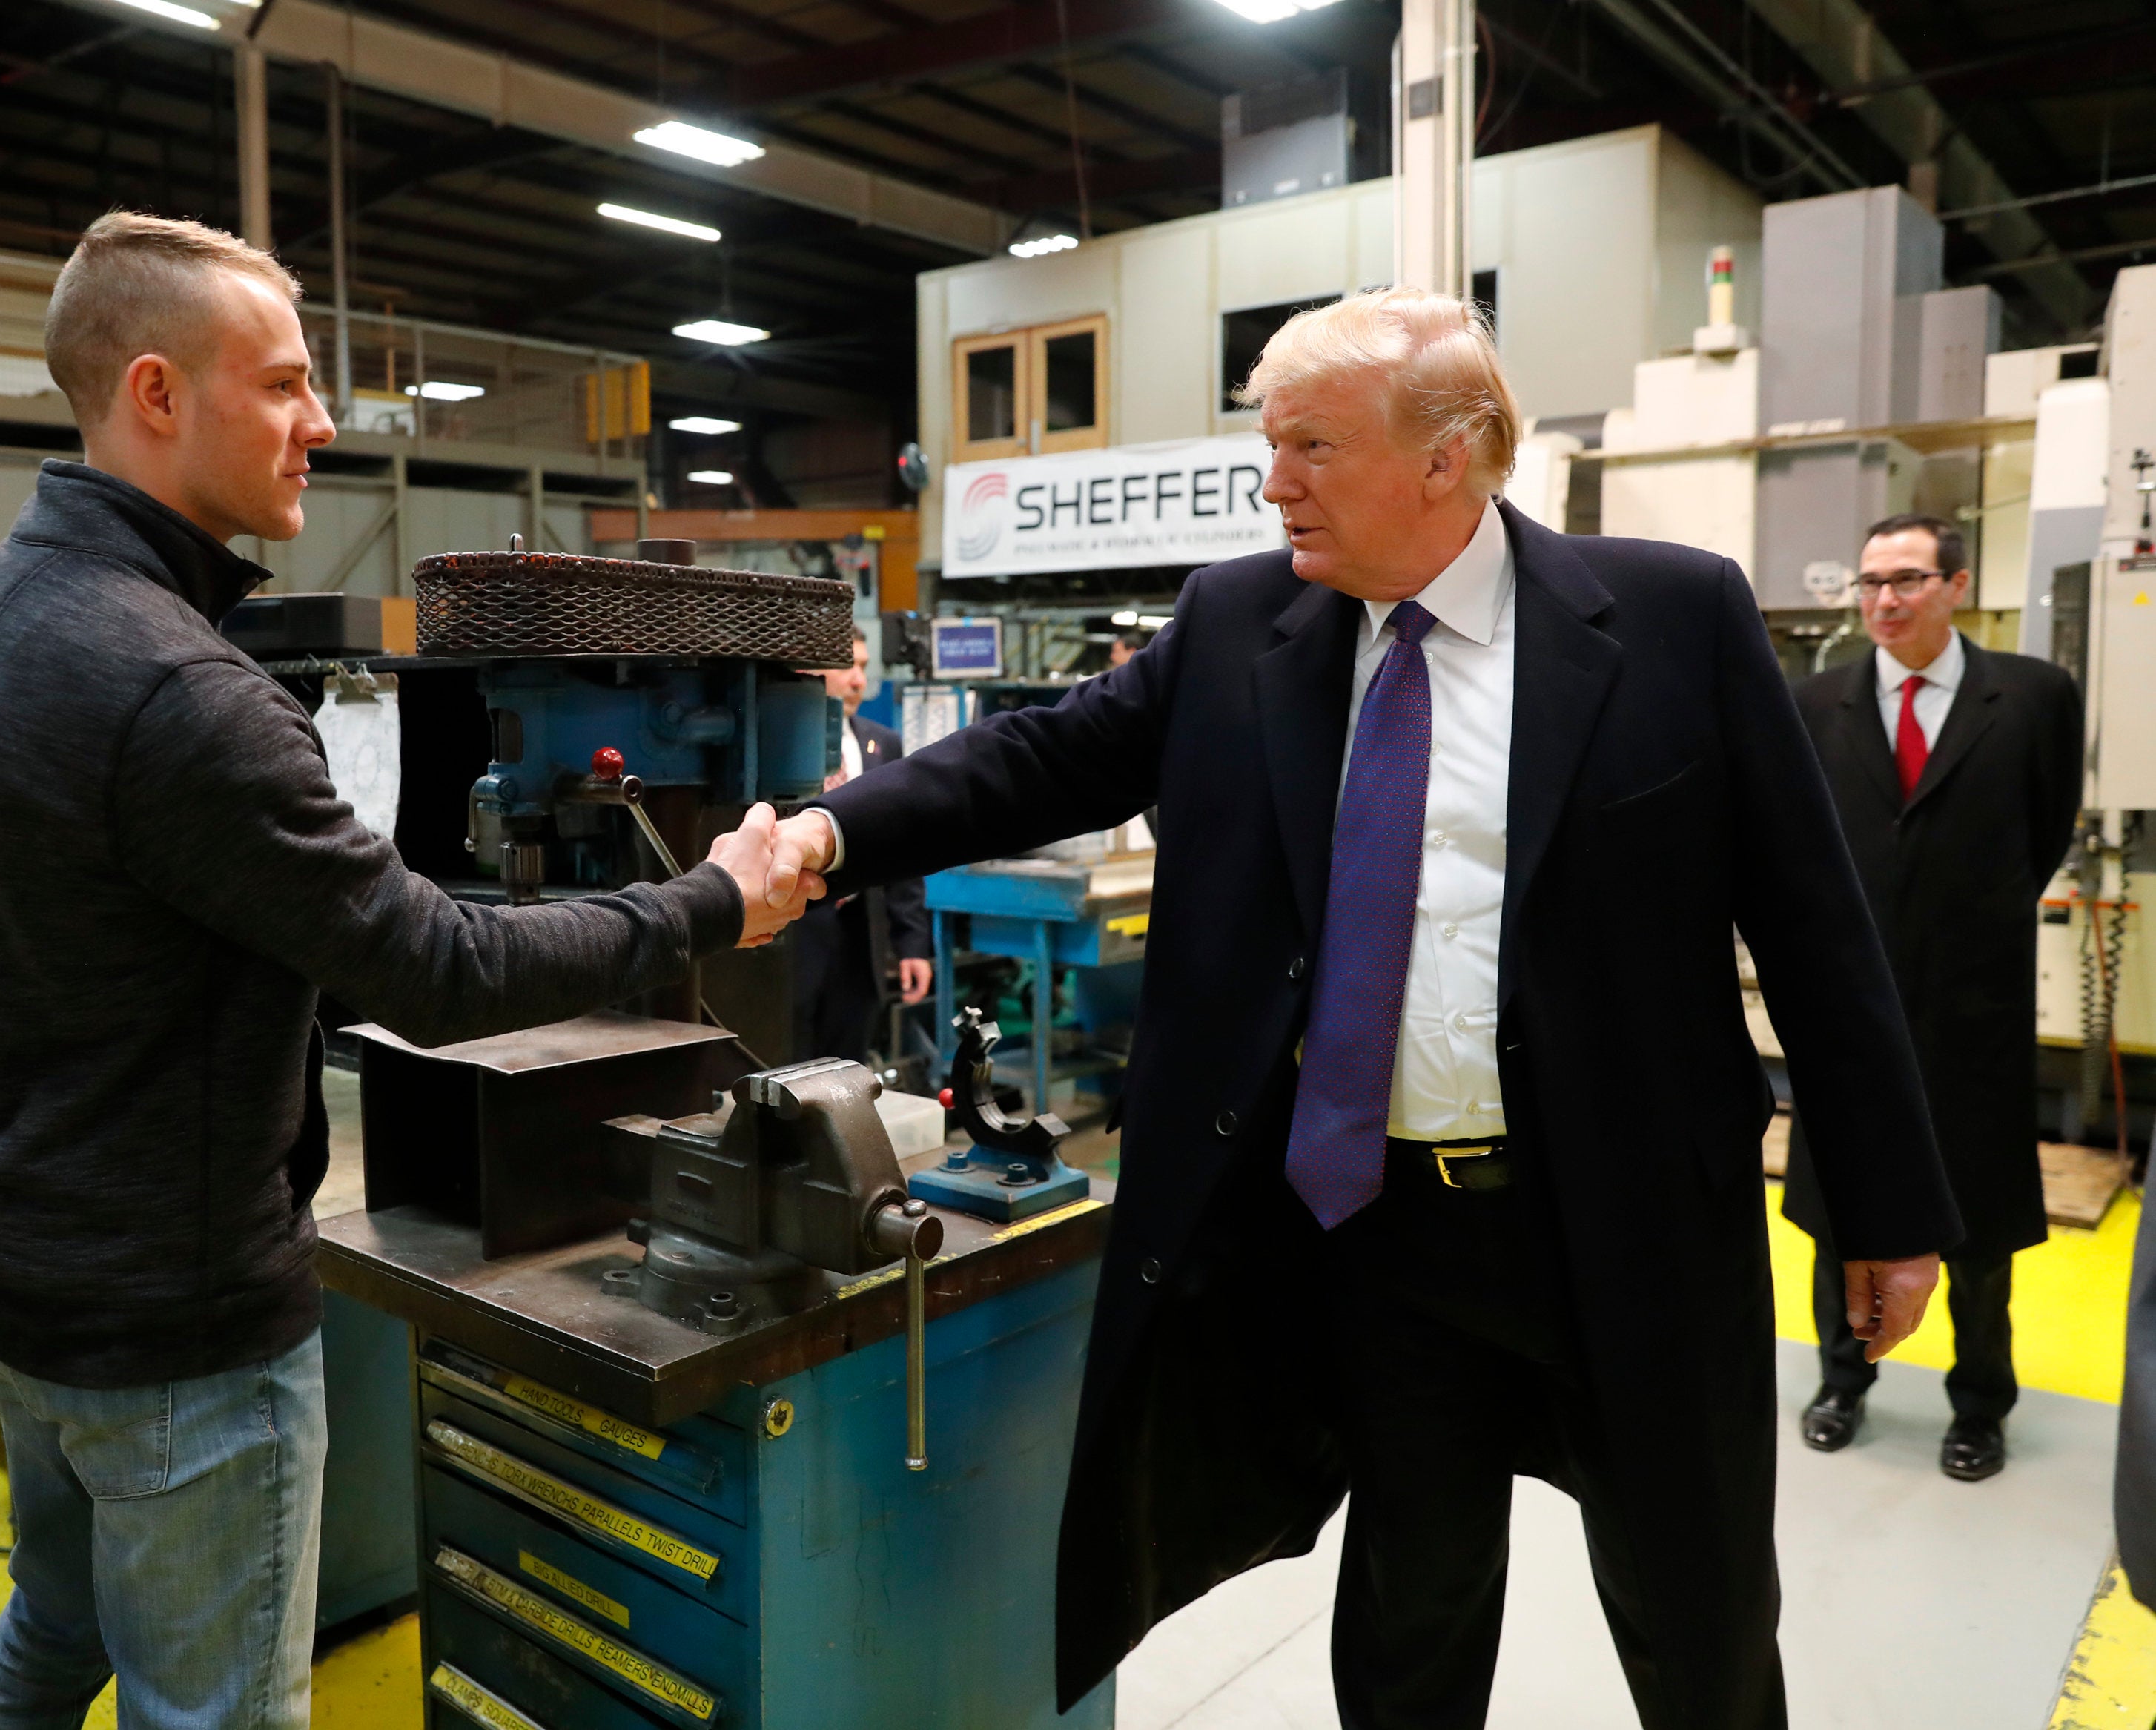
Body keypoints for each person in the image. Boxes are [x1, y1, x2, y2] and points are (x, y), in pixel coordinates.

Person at [760, 287, 1956, 1729]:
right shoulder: (1241, 620)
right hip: (1383, 1237)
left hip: (1630, 1226)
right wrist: (827, 838)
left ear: (1446, 456)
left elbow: (1817, 931)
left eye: (1311, 445)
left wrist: (1886, 1207)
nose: (1274, 483)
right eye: (1272, 446)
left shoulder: (1671, 619)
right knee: (1409, 1605)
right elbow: (1041, 759)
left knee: (1694, 1605)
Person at [0, 213, 819, 1730]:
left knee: (56, 1622)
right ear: (155, 393)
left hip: (3, 1266)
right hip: (168, 1328)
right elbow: (437, 965)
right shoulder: (182, 685)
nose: (322, 423)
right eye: (283, 384)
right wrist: (710, 901)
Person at [1782, 513, 2081, 1481]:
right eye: (1870, 583)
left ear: (1957, 585)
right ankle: (1844, 1379)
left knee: (1978, 1221)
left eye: (1907, 580)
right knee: (1841, 1213)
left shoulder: (2032, 697)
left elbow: (2044, 831)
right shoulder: (1814, 702)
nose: (1884, 600)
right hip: (1850, 1011)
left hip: (1972, 1013)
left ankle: (1980, 1404)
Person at [793, 629, 931, 1063]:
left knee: (843, 1068)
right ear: (808, 669)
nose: (858, 682)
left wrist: (912, 945)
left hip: (859, 939)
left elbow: (902, 845)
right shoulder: (777, 746)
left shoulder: (882, 744)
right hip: (792, 940)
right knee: (783, 1066)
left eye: (864, 668)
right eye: (847, 665)